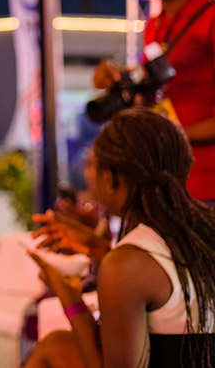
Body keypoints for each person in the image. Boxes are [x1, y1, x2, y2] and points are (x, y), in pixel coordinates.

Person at [24, 108, 215, 368]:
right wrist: (101, 248)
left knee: (52, 347)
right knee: (57, 344)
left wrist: (70, 298)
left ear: (111, 177)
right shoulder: (201, 229)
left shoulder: (127, 264)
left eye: (94, 165)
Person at [94, 0, 215, 203]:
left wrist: (175, 134)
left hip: (208, 188)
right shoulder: (155, 25)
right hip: (170, 184)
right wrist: (118, 80)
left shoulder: (210, 16)